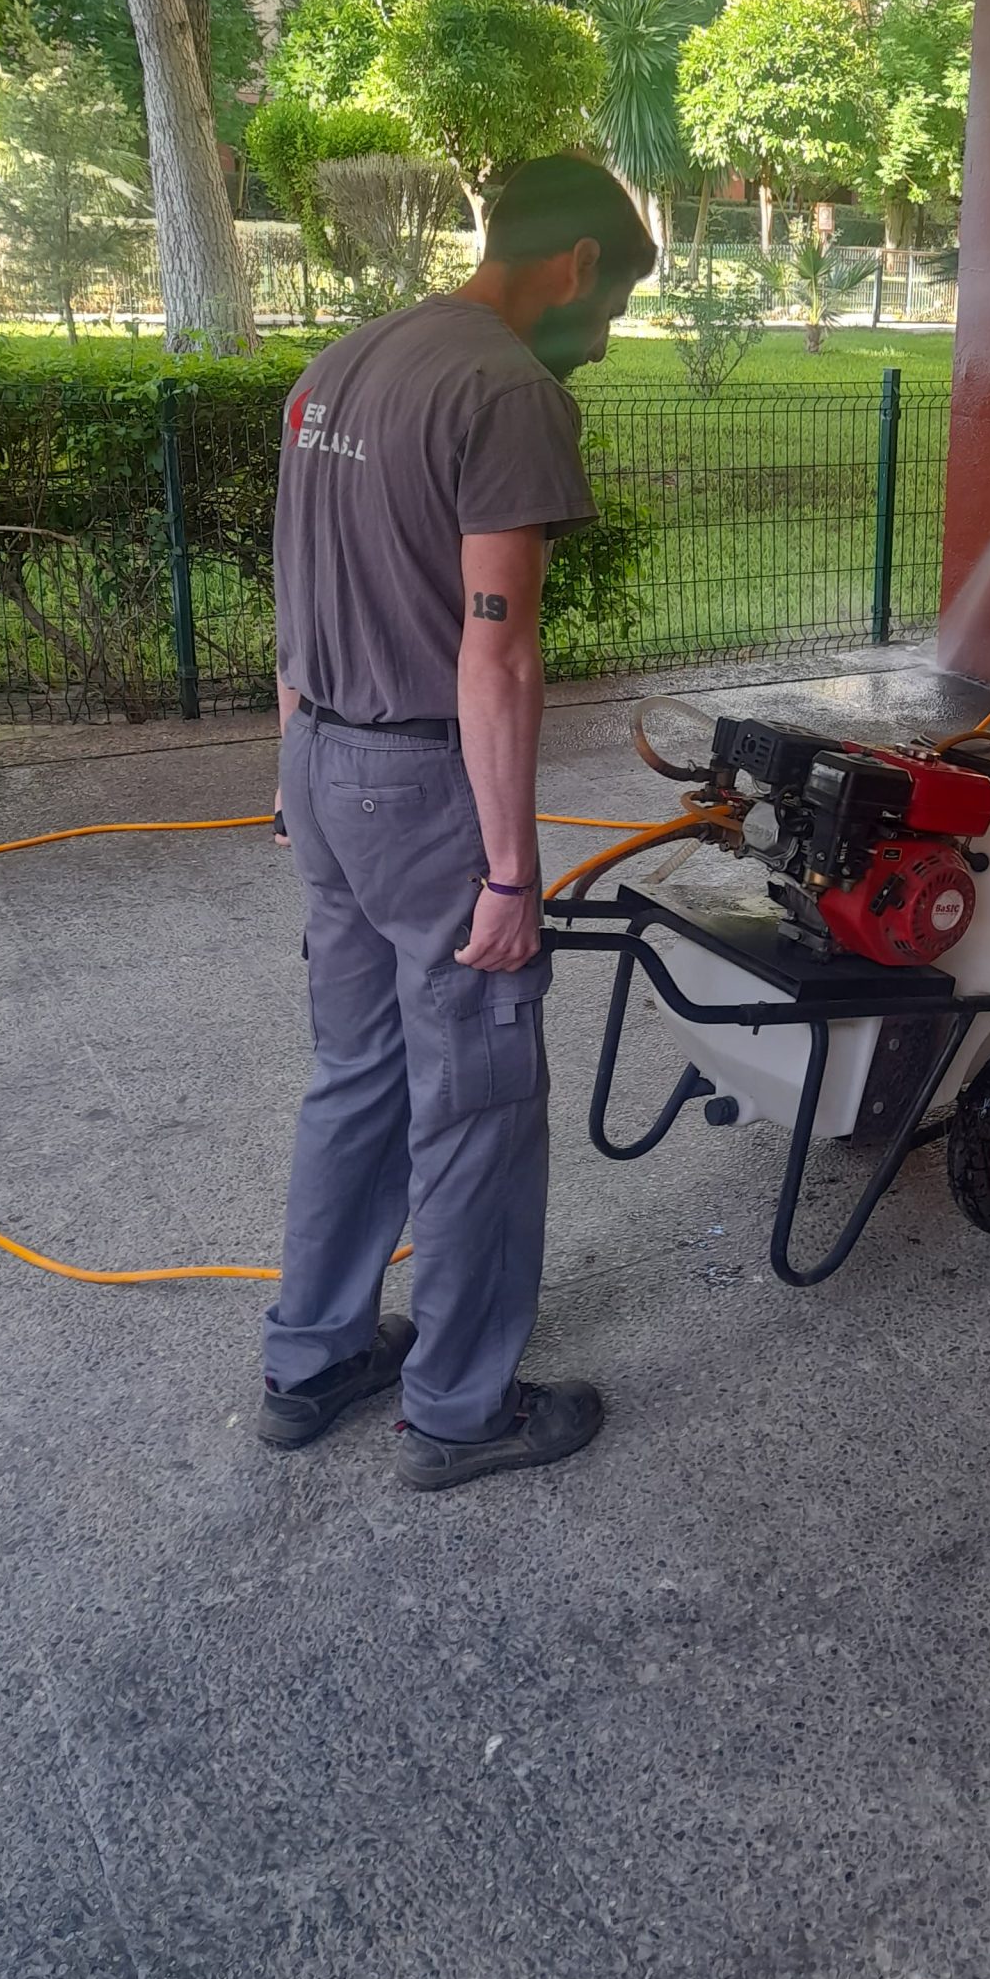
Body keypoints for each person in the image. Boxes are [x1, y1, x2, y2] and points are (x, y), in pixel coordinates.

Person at [259, 154, 656, 1490]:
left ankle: (312, 1359)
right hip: (423, 789)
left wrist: (289, 769)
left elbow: (296, 589)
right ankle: (459, 1410)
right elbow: (500, 655)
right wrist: (509, 872)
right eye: (607, 312)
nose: (599, 345)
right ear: (577, 264)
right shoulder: (506, 390)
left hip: (320, 764)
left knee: (356, 1074)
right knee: (479, 1096)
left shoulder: (339, 366)